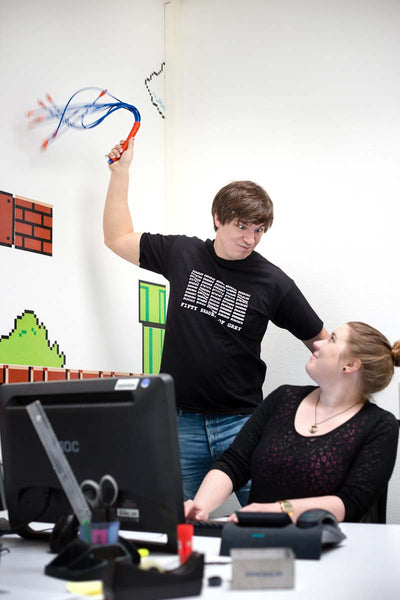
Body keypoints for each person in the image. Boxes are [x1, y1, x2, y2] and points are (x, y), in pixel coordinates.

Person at [103, 139, 329, 504]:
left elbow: (321, 341)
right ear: (218, 219)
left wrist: (338, 400)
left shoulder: (273, 282)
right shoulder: (182, 252)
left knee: (267, 518)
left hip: (241, 424)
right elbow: (117, 238)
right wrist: (121, 172)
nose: (250, 239)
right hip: (180, 422)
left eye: (259, 230)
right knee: (178, 521)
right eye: (242, 226)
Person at [184, 322, 400, 523]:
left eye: (332, 339)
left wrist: (280, 509)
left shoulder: (380, 426)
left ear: (350, 365)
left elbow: (351, 502)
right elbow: (234, 463)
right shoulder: (283, 398)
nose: (318, 344)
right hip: (257, 538)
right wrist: (199, 506)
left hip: (326, 545)